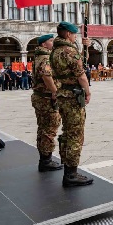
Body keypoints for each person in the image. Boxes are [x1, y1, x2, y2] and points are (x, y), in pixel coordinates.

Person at [50, 22, 93, 187]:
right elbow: (81, 74)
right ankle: (71, 174)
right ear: (68, 34)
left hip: (62, 95)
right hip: (73, 96)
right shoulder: (69, 50)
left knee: (67, 133)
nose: (75, 36)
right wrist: (87, 91)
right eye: (74, 34)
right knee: (75, 134)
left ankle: (68, 168)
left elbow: (80, 62)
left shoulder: (55, 51)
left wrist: (84, 48)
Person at [31, 34, 63, 172]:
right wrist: (55, 91)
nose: (53, 42)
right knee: (49, 129)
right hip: (46, 98)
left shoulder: (40, 56)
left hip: (41, 97)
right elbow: (46, 75)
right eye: (50, 41)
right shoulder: (45, 58)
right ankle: (46, 161)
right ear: (44, 44)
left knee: (43, 129)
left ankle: (45, 158)